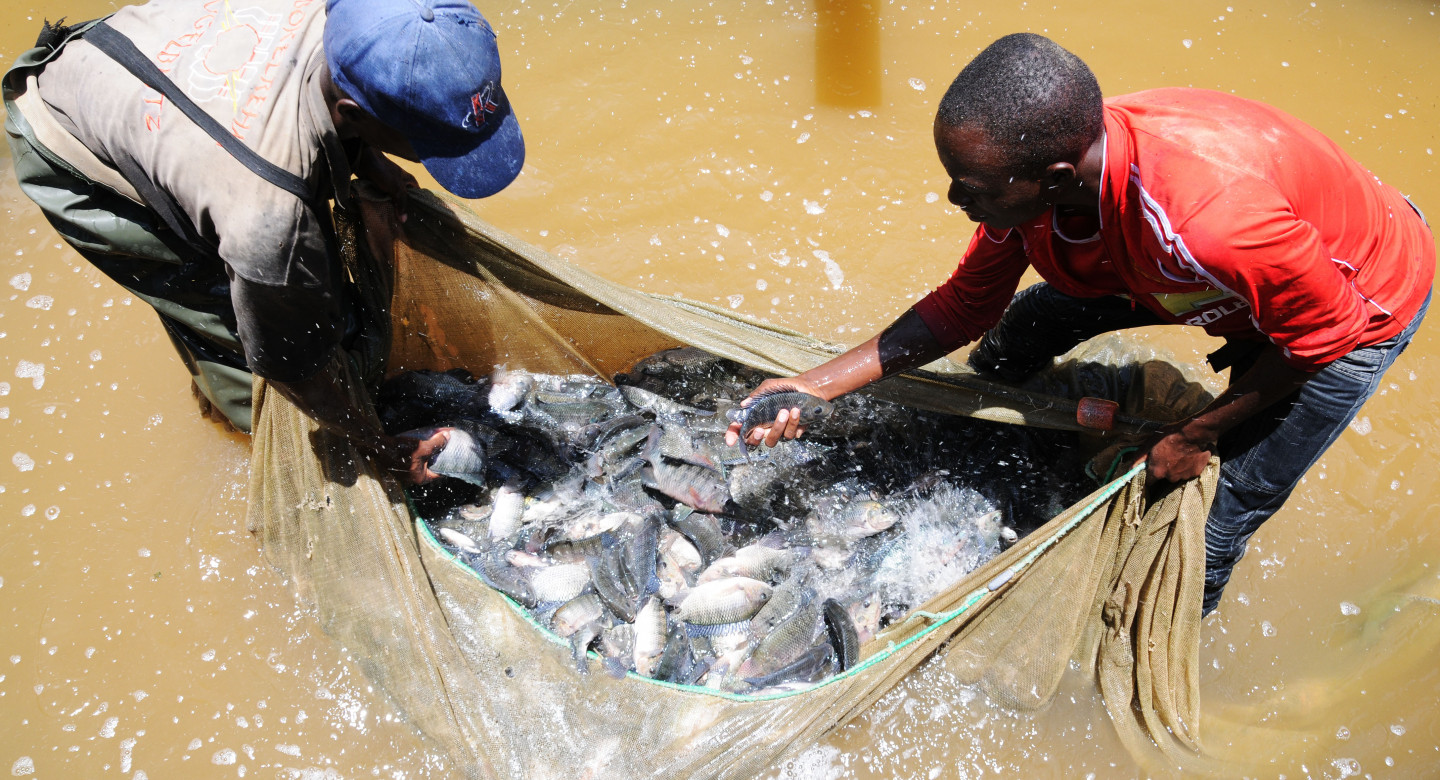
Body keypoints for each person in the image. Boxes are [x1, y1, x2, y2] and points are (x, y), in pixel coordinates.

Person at [726, 33, 1433, 615]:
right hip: (1173, 269)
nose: (953, 199)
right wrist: (813, 386)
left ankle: (1167, 630)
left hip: (1353, 307)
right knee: (1026, 326)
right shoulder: (1034, 172)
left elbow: (1321, 339)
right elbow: (965, 307)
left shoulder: (1208, 224)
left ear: (1058, 179)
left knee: (1210, 519)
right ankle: (984, 443)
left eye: (971, 191)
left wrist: (1193, 436)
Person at [3, 0, 525, 483]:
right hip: (72, 132)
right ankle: (230, 414)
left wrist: (377, 167)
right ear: (353, 114)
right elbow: (288, 364)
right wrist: (373, 446)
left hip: (174, 82)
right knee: (234, 328)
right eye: (431, 144)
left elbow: (318, 108)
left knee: (304, 288)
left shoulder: (369, 17)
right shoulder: (266, 222)